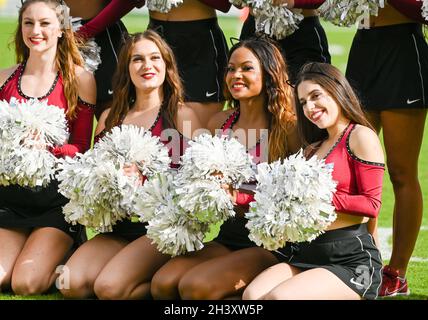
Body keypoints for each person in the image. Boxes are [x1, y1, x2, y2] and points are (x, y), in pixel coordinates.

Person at [150, 36, 300, 300]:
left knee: (195, 287)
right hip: (229, 235)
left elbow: (295, 197)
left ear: (269, 74)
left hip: (271, 244)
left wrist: (237, 196)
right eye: (231, 68)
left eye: (247, 68)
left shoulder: (288, 127)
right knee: (163, 283)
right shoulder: (219, 122)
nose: (235, 75)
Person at [59, 30, 202, 299]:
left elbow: (194, 183)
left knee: (108, 288)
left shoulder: (183, 115)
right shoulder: (110, 118)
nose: (147, 66)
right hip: (120, 227)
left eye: (154, 58)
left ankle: (166, 286)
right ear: (126, 68)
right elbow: (90, 173)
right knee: (70, 284)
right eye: (137, 59)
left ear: (167, 65)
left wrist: (147, 175)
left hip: (160, 229)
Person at [242, 62, 385, 300]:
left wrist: (317, 196)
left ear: (337, 89)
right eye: (303, 102)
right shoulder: (311, 149)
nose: (310, 107)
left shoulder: (360, 135)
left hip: (350, 260)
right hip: (305, 254)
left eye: (316, 96)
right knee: (252, 296)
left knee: (279, 298)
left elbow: (372, 205)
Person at [0, 0, 96, 295]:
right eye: (28, 23)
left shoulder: (79, 79)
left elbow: (81, 148)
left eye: (44, 23)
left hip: (55, 203)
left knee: (26, 283)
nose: (36, 30)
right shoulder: (4, 77)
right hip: (10, 199)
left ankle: (68, 249)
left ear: (61, 29)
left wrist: (48, 148)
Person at [345, 1, 428, 297]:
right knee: (357, 163)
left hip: (403, 47)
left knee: (401, 171)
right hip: (364, 44)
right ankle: (366, 259)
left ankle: (398, 272)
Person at [147, 0, 231, 128]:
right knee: (155, 134)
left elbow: (225, 5)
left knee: (195, 138)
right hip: (155, 37)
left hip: (199, 43)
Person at [65, 0, 145, 119]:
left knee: (114, 123)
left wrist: (83, 33)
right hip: (58, 35)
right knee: (62, 121)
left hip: (103, 33)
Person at [238, 0, 330, 83]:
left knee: (307, 89)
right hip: (257, 29)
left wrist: (293, 2)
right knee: (249, 88)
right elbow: (229, 5)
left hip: (300, 30)